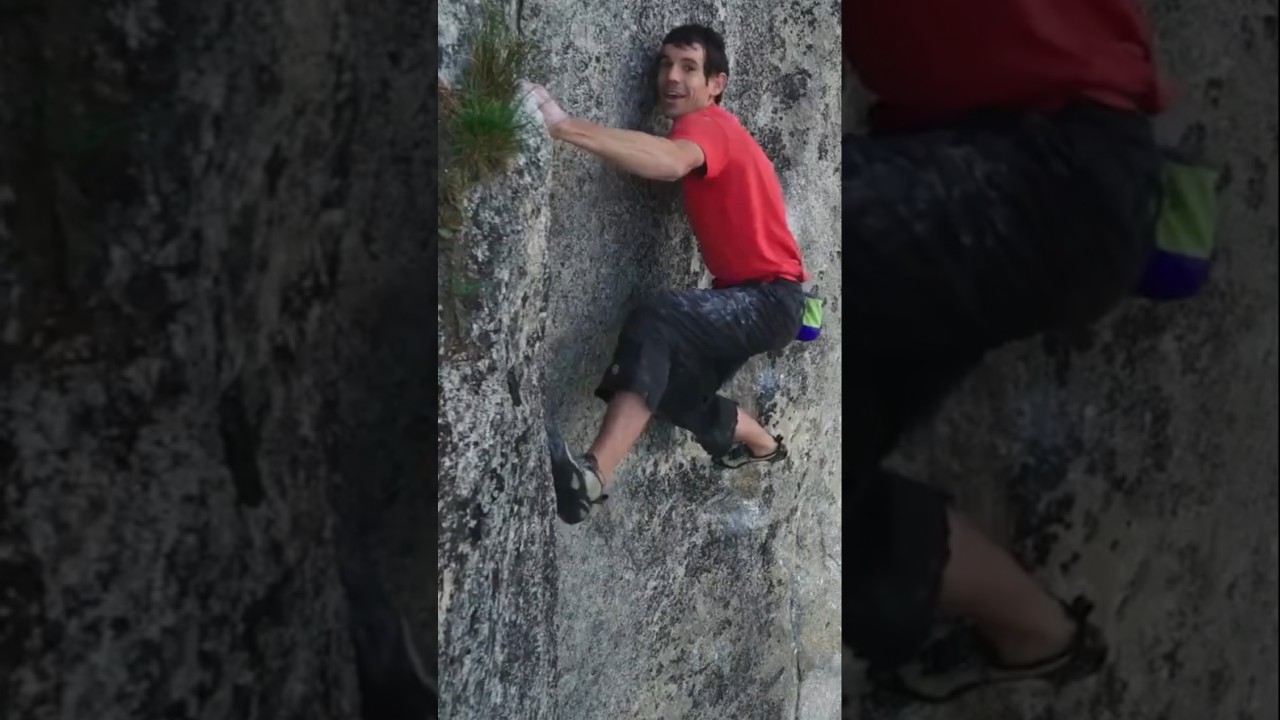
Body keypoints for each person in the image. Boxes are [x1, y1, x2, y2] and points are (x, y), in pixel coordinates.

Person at [842, 0, 1169, 705]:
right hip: (953, 165)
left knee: (761, 211)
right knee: (783, 472)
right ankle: (1036, 635)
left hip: (1055, 177)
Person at [524, 24, 809, 525]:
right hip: (759, 300)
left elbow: (670, 162)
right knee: (673, 391)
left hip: (767, 300)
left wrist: (563, 125)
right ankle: (760, 442)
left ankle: (590, 477)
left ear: (716, 83)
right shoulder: (714, 129)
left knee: (660, 319)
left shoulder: (709, 125)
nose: (671, 78)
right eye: (664, 64)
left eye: (688, 67)